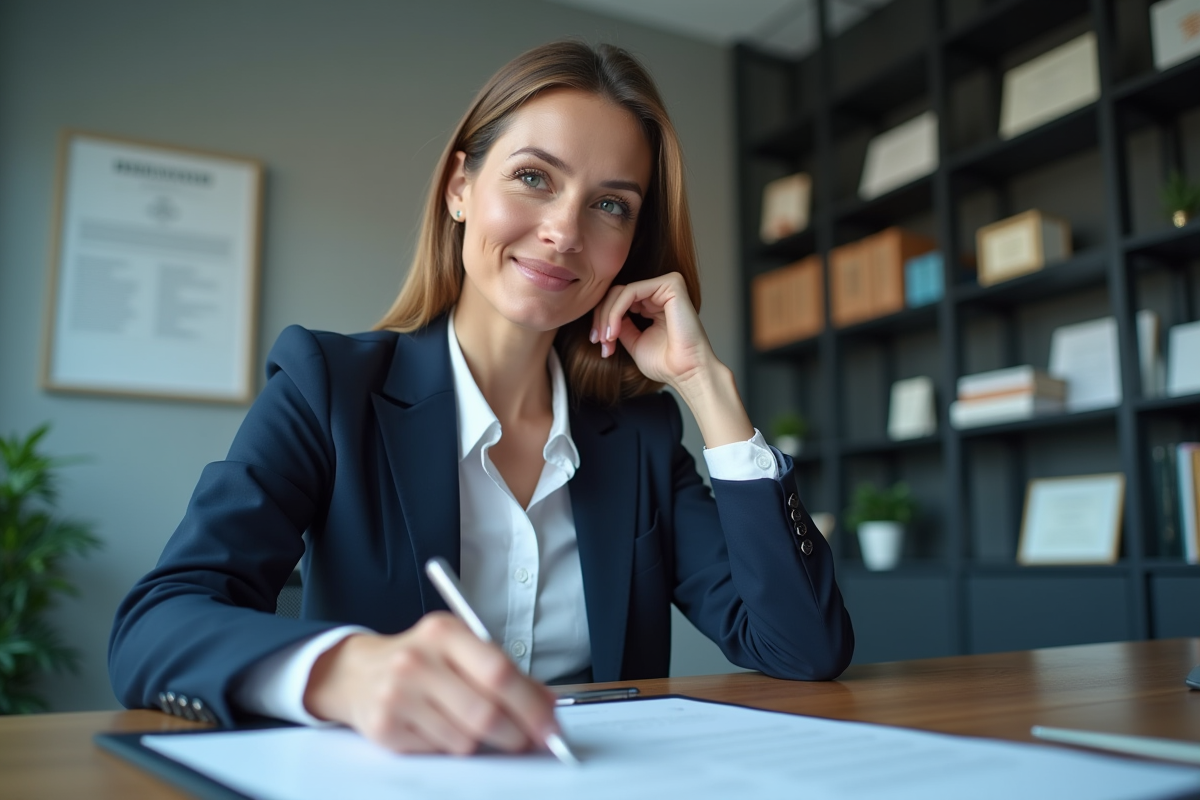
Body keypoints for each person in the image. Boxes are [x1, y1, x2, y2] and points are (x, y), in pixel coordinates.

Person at [108, 39, 853, 757]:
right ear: (460, 187)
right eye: (534, 177)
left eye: (612, 205)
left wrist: (705, 386)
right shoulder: (329, 387)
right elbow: (155, 626)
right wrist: (349, 673)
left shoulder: (641, 434)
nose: (564, 231)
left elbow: (802, 647)